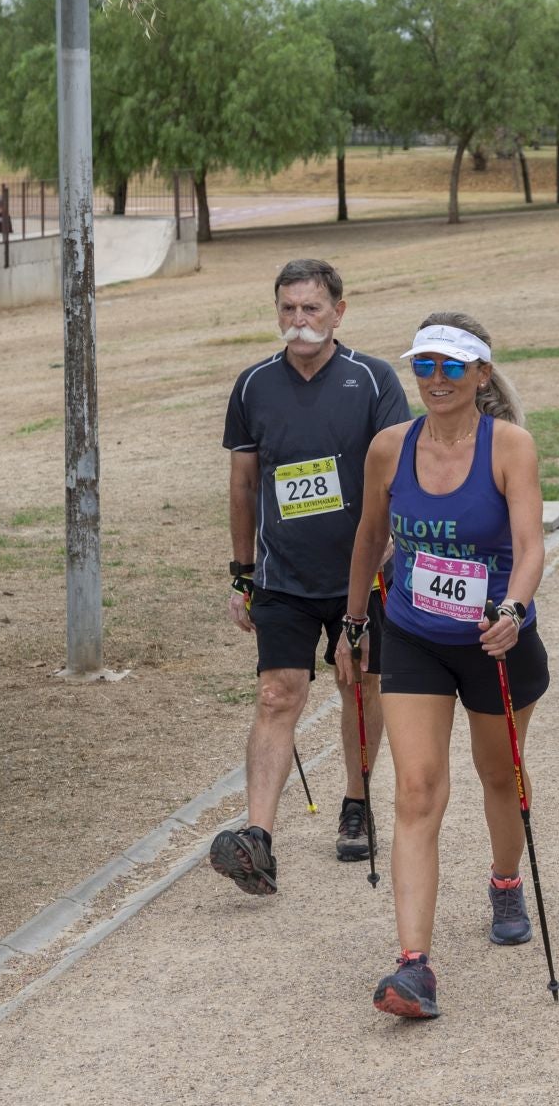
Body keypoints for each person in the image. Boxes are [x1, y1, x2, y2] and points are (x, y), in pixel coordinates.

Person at [338, 313, 547, 1021]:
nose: (435, 378)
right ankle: (413, 964)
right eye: (424, 364)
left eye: (452, 366)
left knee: (499, 774)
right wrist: (354, 623)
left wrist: (513, 608)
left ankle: (505, 880)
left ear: (481, 374)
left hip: (493, 640)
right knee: (417, 788)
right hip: (415, 635)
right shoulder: (389, 448)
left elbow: (529, 544)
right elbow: (370, 536)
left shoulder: (509, 446)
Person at [211, 258, 408, 897]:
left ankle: (356, 802)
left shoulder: (373, 380)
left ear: (338, 312)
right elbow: (243, 485)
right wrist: (242, 574)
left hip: (362, 571)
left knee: (360, 685)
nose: (299, 320)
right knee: (277, 695)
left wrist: (391, 544)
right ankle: (257, 839)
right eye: (288, 308)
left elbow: (398, 471)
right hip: (282, 575)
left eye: (311, 308)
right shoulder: (253, 386)